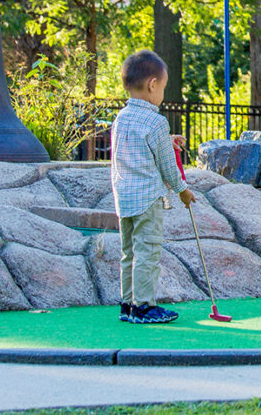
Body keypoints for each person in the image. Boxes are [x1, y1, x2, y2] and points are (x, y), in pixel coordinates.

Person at [110, 49, 196, 324]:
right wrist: (183, 189)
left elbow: (137, 149)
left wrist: (165, 140)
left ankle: (128, 304)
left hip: (124, 198)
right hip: (148, 199)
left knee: (129, 253)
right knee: (147, 252)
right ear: (152, 85)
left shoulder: (120, 118)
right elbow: (167, 167)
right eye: (163, 87)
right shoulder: (156, 121)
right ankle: (145, 306)